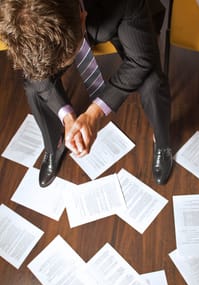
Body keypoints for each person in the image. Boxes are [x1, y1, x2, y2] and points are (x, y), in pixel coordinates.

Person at [0, 0, 172, 187]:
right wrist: (67, 118)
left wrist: (93, 114)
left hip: (120, 14)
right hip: (67, 22)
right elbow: (35, 71)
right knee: (34, 85)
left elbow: (140, 62)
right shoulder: (16, 14)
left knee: (152, 81)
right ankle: (54, 145)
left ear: (82, 19)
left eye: (68, 59)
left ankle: (163, 142)